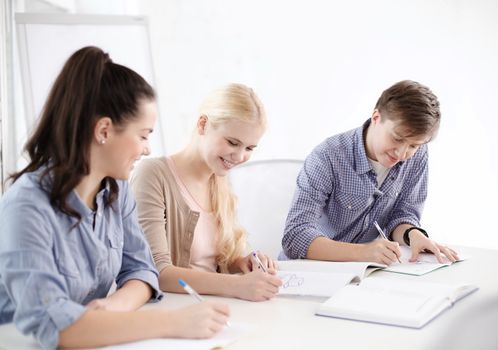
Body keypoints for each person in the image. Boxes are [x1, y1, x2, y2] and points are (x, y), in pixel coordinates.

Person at [0, 46, 229, 350]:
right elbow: (54, 326)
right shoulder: (26, 207)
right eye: (144, 135)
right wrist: (173, 323)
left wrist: (113, 309)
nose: (148, 148)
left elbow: (141, 271)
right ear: (104, 130)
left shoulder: (116, 193)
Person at [131, 83, 282, 301]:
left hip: (215, 309)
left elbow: (209, 263)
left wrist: (239, 263)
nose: (239, 157)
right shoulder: (153, 174)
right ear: (203, 124)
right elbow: (158, 272)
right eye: (233, 142)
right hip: (175, 312)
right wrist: (237, 284)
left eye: (249, 148)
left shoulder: (219, 179)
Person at [282, 80, 459, 265]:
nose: (401, 153)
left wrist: (412, 234)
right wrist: (363, 253)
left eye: (413, 145)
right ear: (376, 118)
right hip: (311, 272)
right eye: (397, 138)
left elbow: (402, 214)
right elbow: (295, 236)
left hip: (365, 273)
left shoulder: (417, 155)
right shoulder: (327, 156)